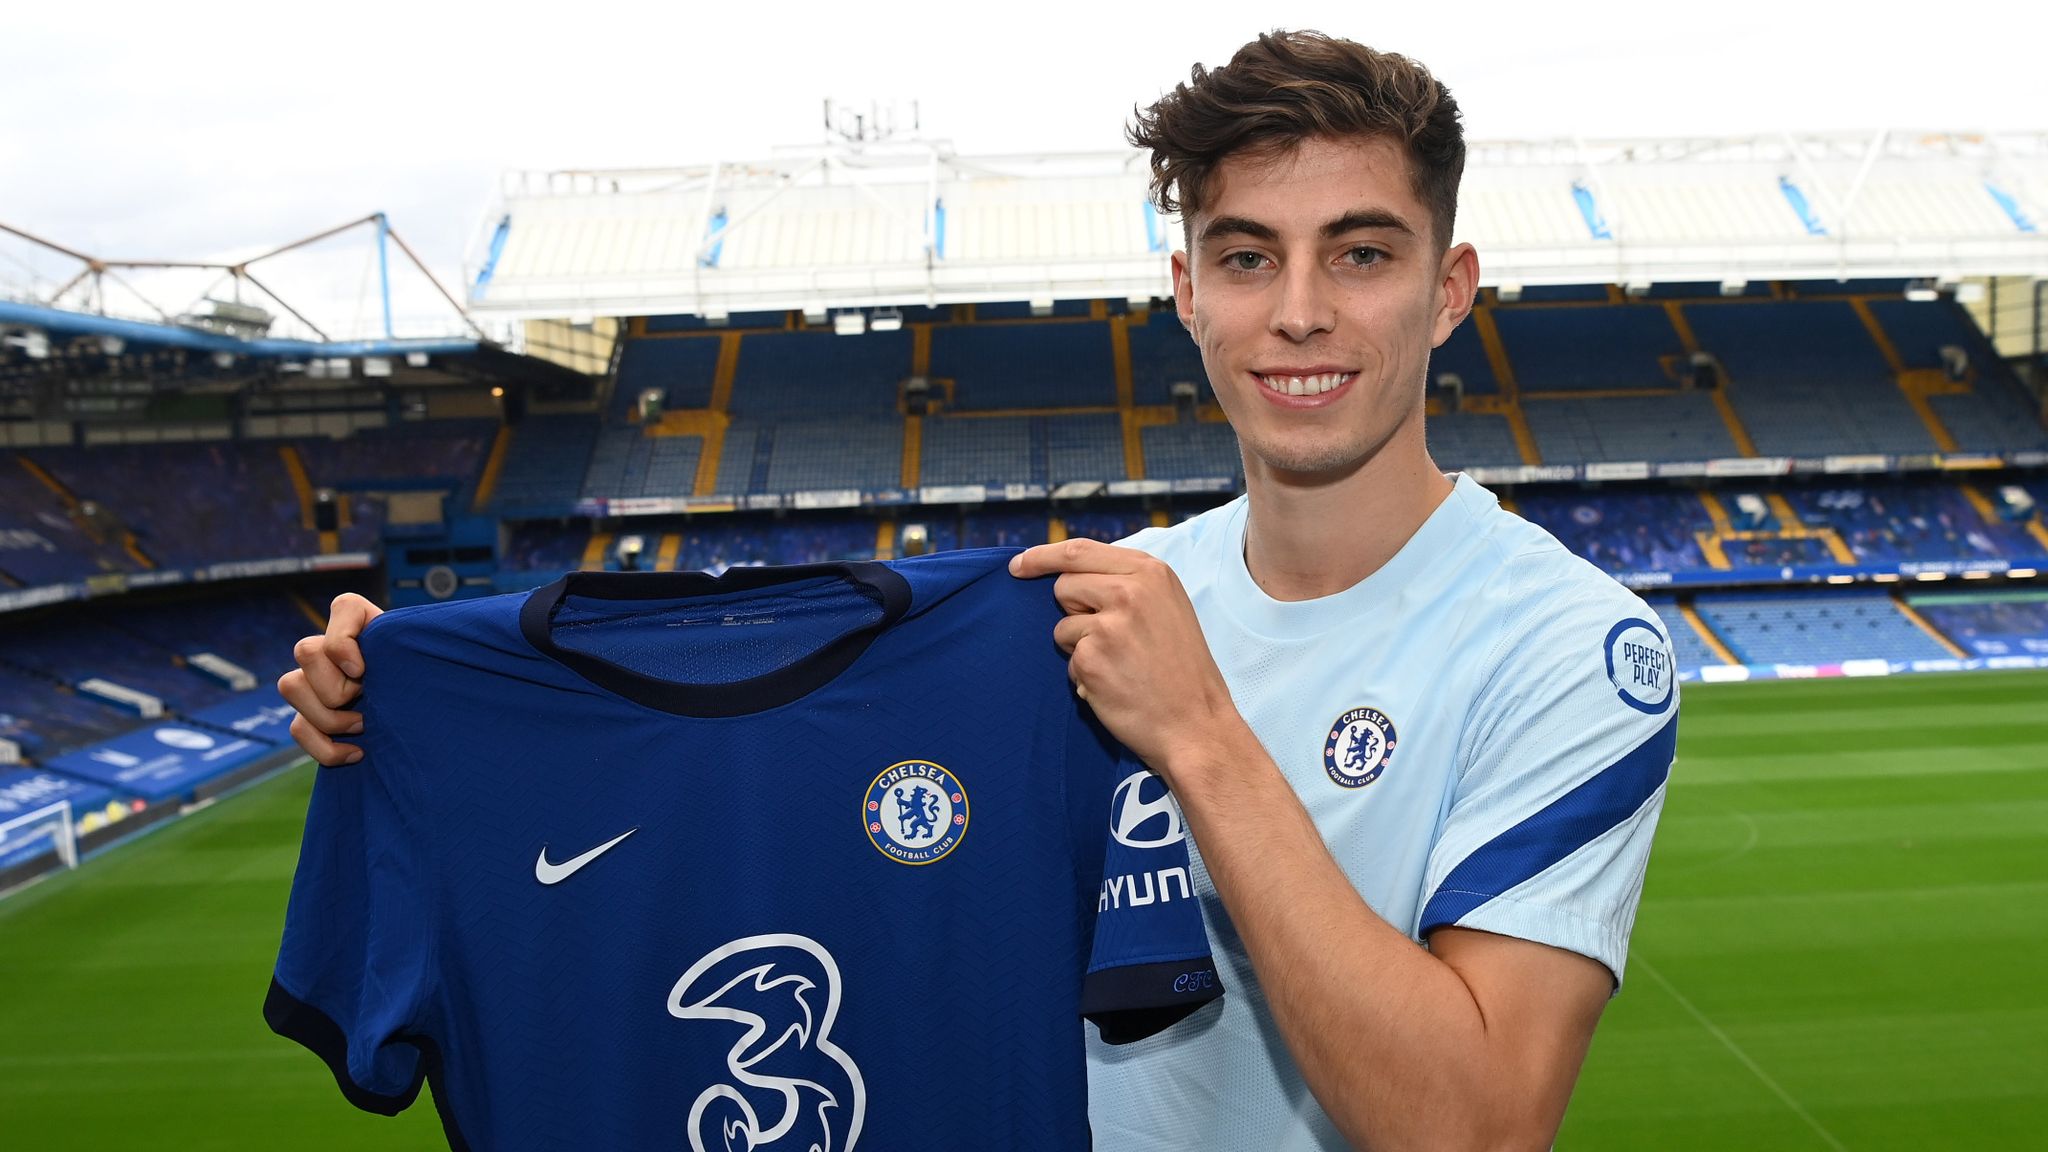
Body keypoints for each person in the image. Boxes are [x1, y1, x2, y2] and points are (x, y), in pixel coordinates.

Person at [281, 29, 1679, 1151]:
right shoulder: (1080, 609)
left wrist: (1199, 737)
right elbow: (770, 745)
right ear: (1184, 288)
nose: (1299, 310)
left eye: (1362, 254)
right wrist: (406, 688)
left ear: (1450, 290)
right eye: (1248, 256)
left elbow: (1476, 1128)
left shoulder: (1569, 648)